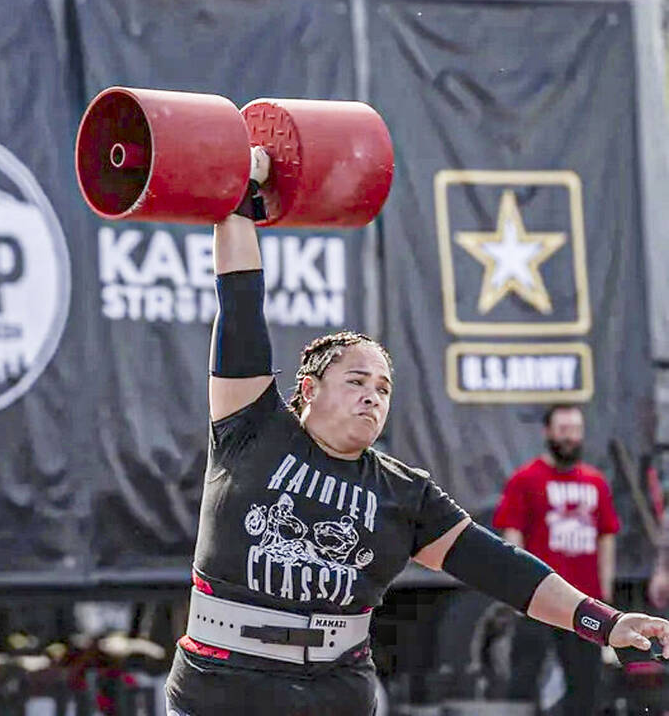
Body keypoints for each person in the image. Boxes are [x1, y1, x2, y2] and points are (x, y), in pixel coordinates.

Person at [164, 149, 669, 716]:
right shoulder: (250, 427)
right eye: (357, 380)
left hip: (335, 696)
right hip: (222, 691)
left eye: (383, 388)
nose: (372, 396)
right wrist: (241, 194)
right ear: (307, 389)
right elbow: (239, 306)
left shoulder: (404, 494)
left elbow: (505, 571)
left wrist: (607, 622)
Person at [492, 404, 620, 715]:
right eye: (563, 430)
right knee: (524, 680)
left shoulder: (596, 482)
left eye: (575, 430)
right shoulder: (526, 479)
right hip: (539, 600)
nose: (570, 437)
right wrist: (518, 590)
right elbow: (513, 536)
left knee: (586, 685)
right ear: (547, 432)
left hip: (586, 601)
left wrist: (605, 594)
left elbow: (606, 537)